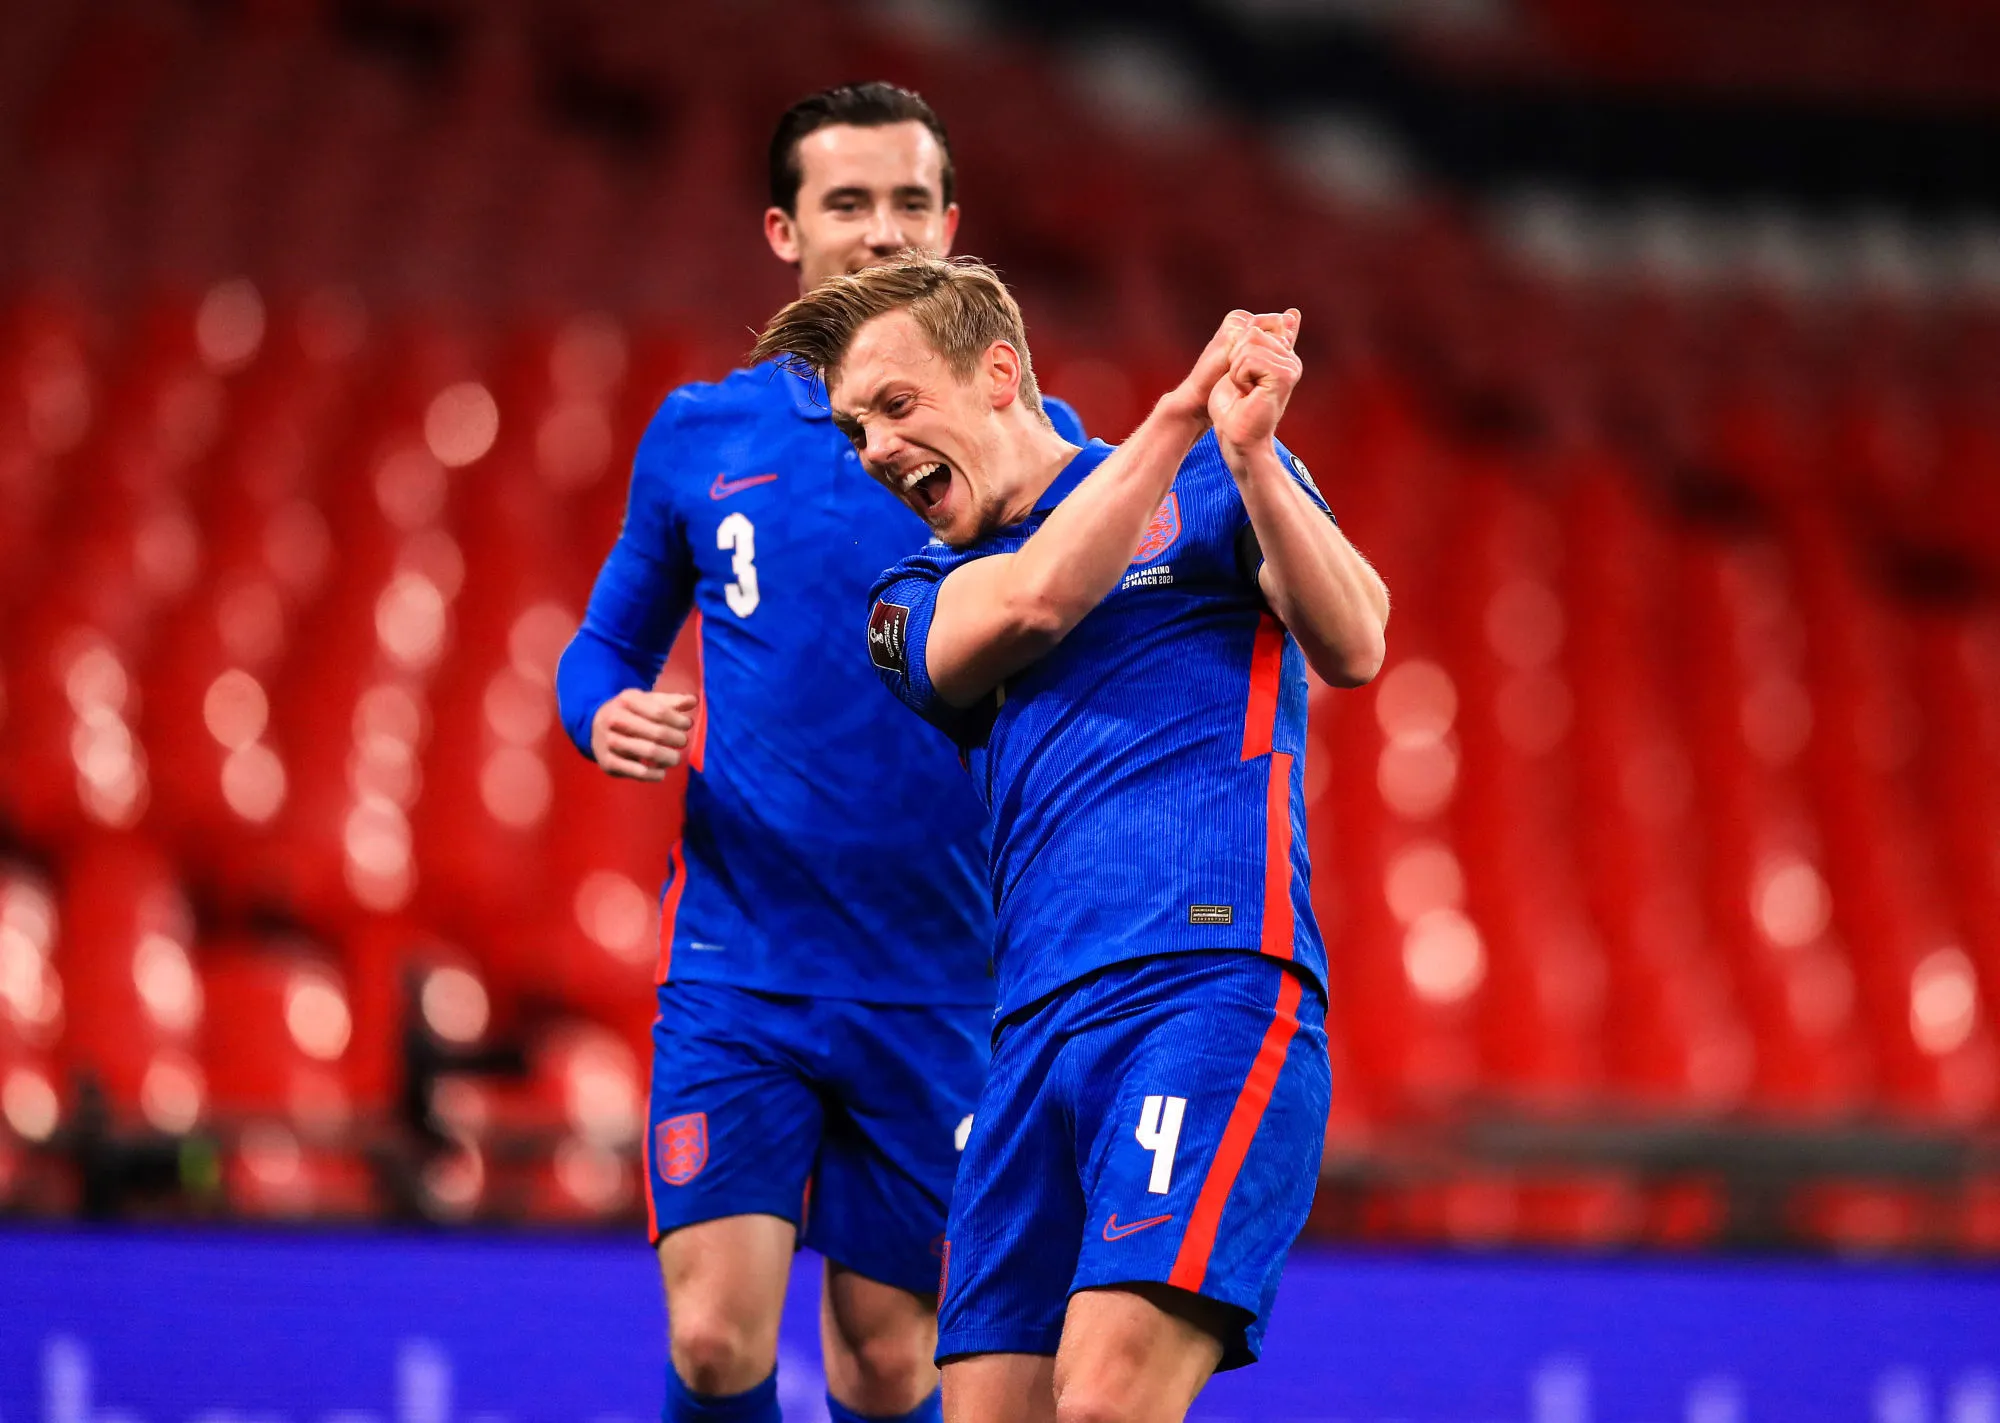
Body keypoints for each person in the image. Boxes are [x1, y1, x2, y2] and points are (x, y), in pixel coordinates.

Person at [749, 256, 1389, 1423]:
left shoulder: (1217, 477)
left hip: (1201, 991)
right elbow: (1038, 599)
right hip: (1026, 1042)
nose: (875, 448)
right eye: (853, 430)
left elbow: (1354, 642)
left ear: (998, 374)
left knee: (1100, 1402)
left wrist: (1250, 455)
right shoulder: (910, 597)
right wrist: (1177, 411)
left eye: (894, 405)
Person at [555, 90, 1086, 1423]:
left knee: (886, 1358)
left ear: (952, 226)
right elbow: (602, 648)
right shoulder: (701, 434)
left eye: (911, 202)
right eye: (848, 202)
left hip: (944, 974)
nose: (883, 230)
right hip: (743, 958)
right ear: (785, 230)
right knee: (713, 1336)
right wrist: (601, 712)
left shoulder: (1025, 441)